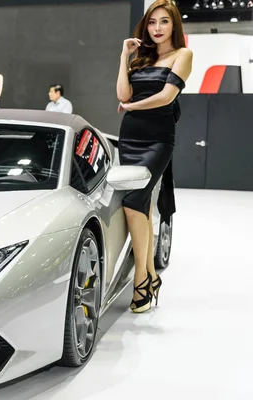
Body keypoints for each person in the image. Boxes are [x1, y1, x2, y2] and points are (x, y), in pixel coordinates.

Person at [116, 0, 193, 313]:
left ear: (174, 25)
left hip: (157, 140)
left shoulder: (183, 55)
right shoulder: (141, 57)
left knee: (132, 202)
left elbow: (165, 97)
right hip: (130, 136)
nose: (157, 28)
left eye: (164, 22)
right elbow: (123, 94)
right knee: (141, 205)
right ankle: (150, 277)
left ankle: (141, 279)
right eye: (152, 23)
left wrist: (132, 107)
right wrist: (124, 57)